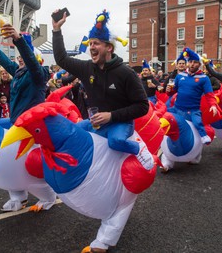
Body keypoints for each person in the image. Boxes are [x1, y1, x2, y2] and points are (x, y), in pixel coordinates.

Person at [52, 9, 153, 170]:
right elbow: (62, 59)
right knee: (68, 132)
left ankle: (139, 147)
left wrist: (111, 116)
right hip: (96, 122)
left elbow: (142, 106)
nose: (92, 46)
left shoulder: (126, 73)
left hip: (121, 122)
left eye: (96, 43)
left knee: (115, 142)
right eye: (90, 43)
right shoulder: (86, 68)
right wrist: (57, 30)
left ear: (109, 48)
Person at [166, 47, 218, 144]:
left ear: (199, 64)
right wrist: (169, 90)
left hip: (193, 110)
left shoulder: (204, 78)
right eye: (190, 62)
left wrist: (213, 105)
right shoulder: (180, 76)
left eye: (195, 62)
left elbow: (209, 95)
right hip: (177, 108)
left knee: (197, 123)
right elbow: (173, 91)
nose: (192, 64)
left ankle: (203, 136)